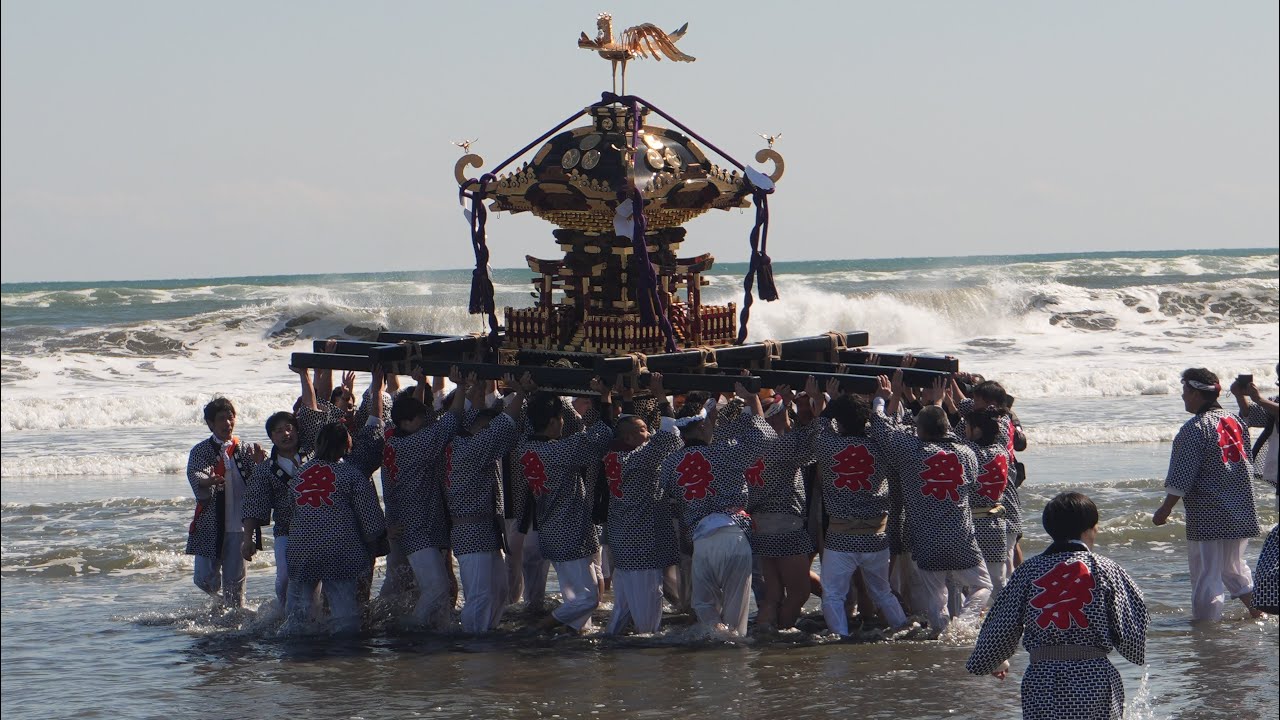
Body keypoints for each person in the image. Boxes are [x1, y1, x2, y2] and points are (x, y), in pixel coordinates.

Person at [967, 492, 1148, 720]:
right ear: (1091, 528)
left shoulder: (1028, 571)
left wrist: (993, 661)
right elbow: (1133, 628)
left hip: (1042, 679)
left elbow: (1002, 623)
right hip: (1093, 677)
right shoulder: (1107, 569)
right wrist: (1132, 650)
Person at [869, 374, 992, 635]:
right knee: (983, 586)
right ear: (947, 428)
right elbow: (972, 485)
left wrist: (882, 398)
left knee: (936, 597)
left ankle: (942, 632)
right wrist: (938, 402)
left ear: (920, 430)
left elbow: (880, 428)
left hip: (927, 538)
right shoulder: (966, 453)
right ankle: (963, 625)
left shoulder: (911, 450)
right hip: (961, 537)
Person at [661, 383, 776, 636]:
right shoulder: (725, 452)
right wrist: (753, 400)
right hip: (734, 534)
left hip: (701, 539)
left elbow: (666, 499)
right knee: (736, 610)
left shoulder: (670, 462)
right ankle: (735, 646)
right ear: (702, 426)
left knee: (704, 605)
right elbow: (765, 437)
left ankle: (717, 637)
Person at [1152, 368, 1261, 620]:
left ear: (1196, 393)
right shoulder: (1235, 421)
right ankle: (1260, 611)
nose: (1183, 396)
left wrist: (1165, 509)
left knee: (1206, 573)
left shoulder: (1195, 428)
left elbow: (1182, 475)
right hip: (1241, 508)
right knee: (1234, 568)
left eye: (1185, 391)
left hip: (1208, 513)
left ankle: (1205, 629)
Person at [807, 378, 912, 638]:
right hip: (876, 535)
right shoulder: (880, 445)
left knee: (833, 594)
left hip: (841, 537)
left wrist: (830, 400)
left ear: (839, 422)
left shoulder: (827, 444)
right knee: (883, 592)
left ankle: (840, 637)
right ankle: (902, 629)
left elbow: (820, 425)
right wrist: (880, 400)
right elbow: (888, 427)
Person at [514, 379, 615, 634]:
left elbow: (534, 419)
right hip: (568, 532)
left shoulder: (525, 446)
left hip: (556, 530)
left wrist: (539, 390)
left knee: (584, 595)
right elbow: (602, 437)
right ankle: (540, 628)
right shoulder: (559, 451)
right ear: (552, 422)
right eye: (560, 419)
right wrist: (605, 398)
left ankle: (574, 635)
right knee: (588, 599)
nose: (563, 423)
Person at [372, 367, 464, 628]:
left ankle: (431, 629)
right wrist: (462, 387)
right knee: (436, 587)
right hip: (417, 526)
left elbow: (425, 419)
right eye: (419, 418)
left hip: (407, 523)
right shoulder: (415, 444)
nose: (424, 421)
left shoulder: (393, 441)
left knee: (413, 586)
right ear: (405, 423)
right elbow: (452, 418)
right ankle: (414, 628)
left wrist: (422, 384)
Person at [285, 422, 387, 633]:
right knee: (345, 615)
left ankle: (297, 644)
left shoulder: (300, 474)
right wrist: (374, 544)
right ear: (346, 446)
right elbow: (371, 520)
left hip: (300, 550)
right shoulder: (351, 474)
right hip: (339, 550)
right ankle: (344, 649)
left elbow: (291, 511)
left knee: (300, 614)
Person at [444, 373, 527, 632]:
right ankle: (472, 643)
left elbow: (476, 413)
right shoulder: (470, 448)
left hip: (486, 531)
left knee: (499, 592)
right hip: (471, 532)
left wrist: (476, 383)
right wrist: (522, 392)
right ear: (480, 431)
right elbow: (504, 423)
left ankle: (485, 637)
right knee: (480, 595)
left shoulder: (462, 438)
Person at [603, 373, 683, 635]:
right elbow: (671, 437)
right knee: (648, 620)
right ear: (629, 438)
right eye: (643, 431)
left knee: (623, 611)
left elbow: (627, 428)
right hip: (642, 545)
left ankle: (611, 650)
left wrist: (626, 400)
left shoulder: (614, 455)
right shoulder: (638, 458)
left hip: (624, 542)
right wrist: (661, 396)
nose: (648, 434)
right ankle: (647, 656)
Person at [744, 383, 818, 631]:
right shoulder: (779, 446)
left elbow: (796, 436)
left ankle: (765, 632)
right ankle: (783, 634)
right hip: (784, 523)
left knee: (773, 594)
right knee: (799, 593)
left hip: (760, 524)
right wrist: (812, 402)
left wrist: (785, 405)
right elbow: (814, 438)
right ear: (774, 418)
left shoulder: (749, 447)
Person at [184, 397, 266, 608]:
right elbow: (196, 474)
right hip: (210, 524)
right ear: (210, 423)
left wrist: (260, 464)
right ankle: (220, 604)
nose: (227, 423)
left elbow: (259, 484)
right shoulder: (201, 450)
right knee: (202, 579)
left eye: (231, 418)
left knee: (235, 587)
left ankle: (233, 620)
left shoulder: (245, 449)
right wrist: (208, 481)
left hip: (240, 526)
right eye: (221, 419)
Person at [241, 410, 307, 609]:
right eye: (279, 431)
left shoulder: (314, 459)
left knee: (318, 577)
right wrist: (248, 539)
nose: (286, 434)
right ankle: (283, 610)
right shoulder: (265, 469)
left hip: (318, 528)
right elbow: (254, 503)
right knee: (285, 577)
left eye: (289, 428)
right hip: (285, 530)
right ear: (271, 437)